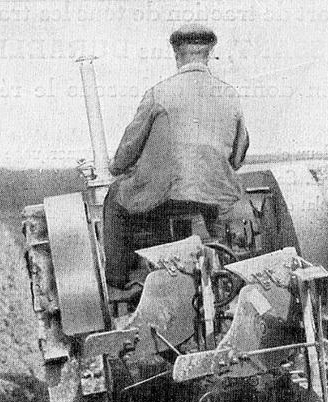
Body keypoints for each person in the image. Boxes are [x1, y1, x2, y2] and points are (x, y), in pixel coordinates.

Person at [101, 23, 250, 290]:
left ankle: (118, 282)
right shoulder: (230, 95)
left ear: (176, 55)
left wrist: (116, 166)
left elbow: (127, 152)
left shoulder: (159, 93)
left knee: (115, 198)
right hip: (215, 198)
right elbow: (238, 158)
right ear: (209, 53)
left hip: (167, 197)